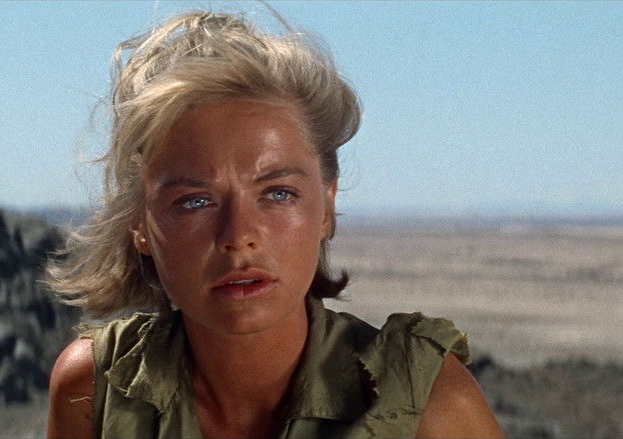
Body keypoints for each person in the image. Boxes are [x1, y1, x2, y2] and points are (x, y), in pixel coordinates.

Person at [46, 10, 504, 439]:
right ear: (139, 225)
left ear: (327, 207)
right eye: (195, 201)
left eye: (278, 193)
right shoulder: (95, 390)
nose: (238, 236)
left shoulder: (429, 405)